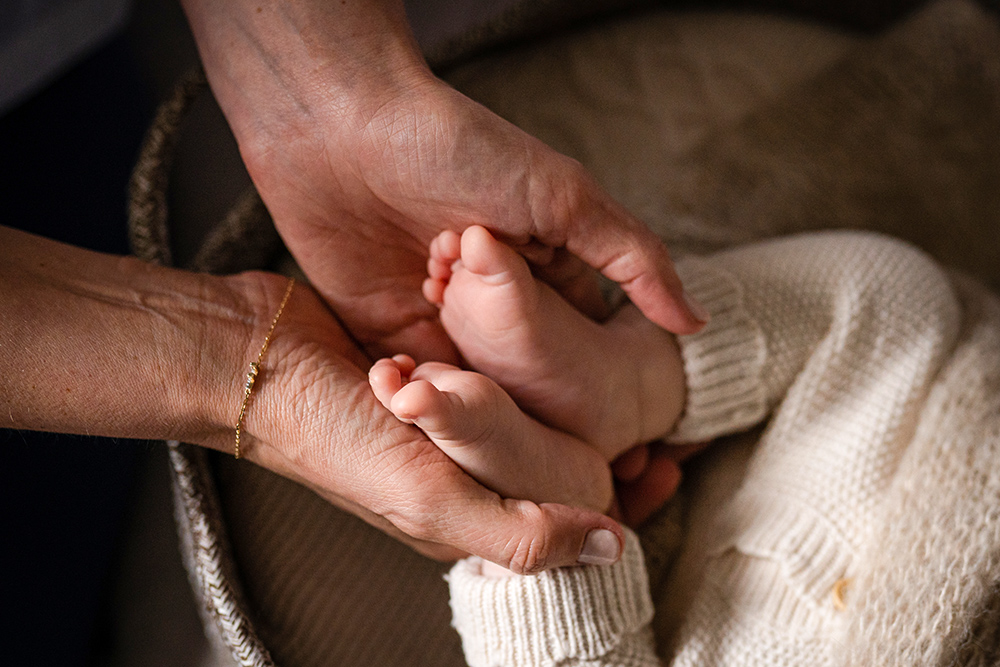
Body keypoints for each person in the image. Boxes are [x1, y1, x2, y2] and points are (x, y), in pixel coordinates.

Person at [370, 225, 967, 663]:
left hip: (707, 626)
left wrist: (555, 562)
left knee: (562, 571)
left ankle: (553, 499)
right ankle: (621, 386)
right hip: (921, 460)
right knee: (902, 298)